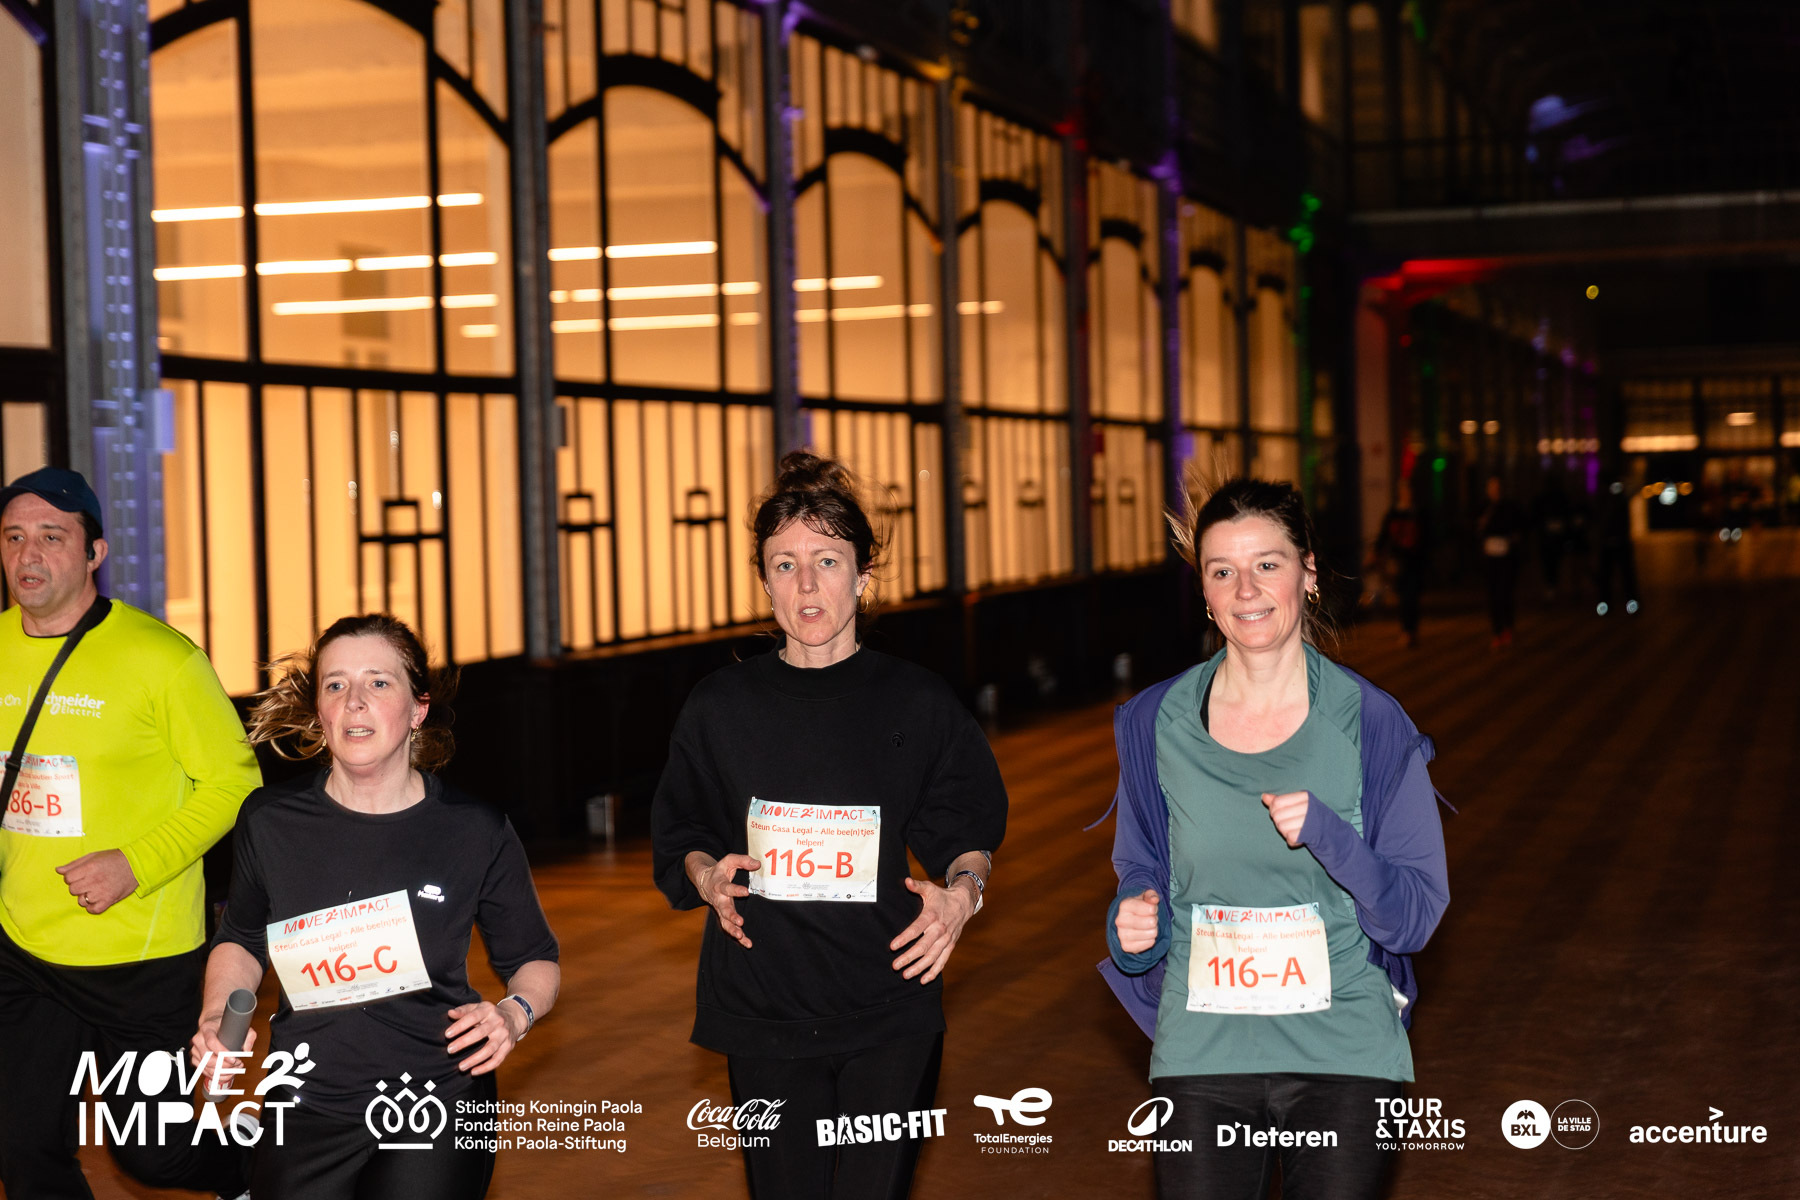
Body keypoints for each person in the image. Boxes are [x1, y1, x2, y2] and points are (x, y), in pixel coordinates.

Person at [652, 451, 1007, 1200]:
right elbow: (683, 829)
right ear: (764, 580)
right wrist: (707, 876)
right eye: (785, 564)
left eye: (827, 561)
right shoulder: (720, 706)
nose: (806, 585)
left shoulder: (916, 701)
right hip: (763, 1009)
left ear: (863, 575)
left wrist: (962, 897)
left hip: (890, 1006)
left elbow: (966, 828)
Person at [1100, 477, 1449, 1200]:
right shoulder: (1157, 722)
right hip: (1203, 1054)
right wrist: (1132, 922)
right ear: (1204, 592)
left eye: (1268, 563)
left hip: (1343, 1055)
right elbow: (1141, 869)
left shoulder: (1370, 722)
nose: (1246, 589)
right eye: (1222, 571)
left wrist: (1330, 836)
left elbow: (1415, 916)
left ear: (1308, 573)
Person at [192, 614, 560, 1200]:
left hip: (438, 1097)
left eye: (378, 682)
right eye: (335, 684)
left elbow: (535, 958)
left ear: (418, 709)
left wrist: (514, 1015)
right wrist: (218, 1018)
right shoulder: (270, 821)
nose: (354, 701)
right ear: (319, 710)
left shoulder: (473, 829)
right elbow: (241, 938)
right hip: (305, 1098)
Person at [0, 467, 261, 1200]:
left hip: (140, 960)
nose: (28, 555)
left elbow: (236, 785)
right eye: (13, 537)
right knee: (21, 1149)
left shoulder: (163, 660)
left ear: (95, 553)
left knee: (155, 1158)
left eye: (52, 537)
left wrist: (135, 863)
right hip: (21, 946)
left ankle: (254, 1171)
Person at [1372, 479, 1428, 648]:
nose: (1406, 494)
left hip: (1415, 562)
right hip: (1399, 561)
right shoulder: (1393, 513)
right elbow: (1384, 535)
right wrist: (1376, 552)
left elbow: (1427, 537)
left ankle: (1411, 630)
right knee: (1403, 596)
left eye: (1408, 491)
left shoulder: (1419, 513)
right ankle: (1406, 630)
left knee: (1412, 596)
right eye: (1403, 491)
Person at [1475, 475, 1525, 649]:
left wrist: (1514, 538)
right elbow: (1476, 530)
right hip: (1490, 558)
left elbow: (1519, 527)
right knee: (1493, 595)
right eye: (1491, 488)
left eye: (1497, 487)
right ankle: (1496, 632)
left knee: (1505, 593)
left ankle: (1508, 628)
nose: (1494, 491)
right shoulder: (1483, 507)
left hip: (1506, 557)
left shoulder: (1510, 507)